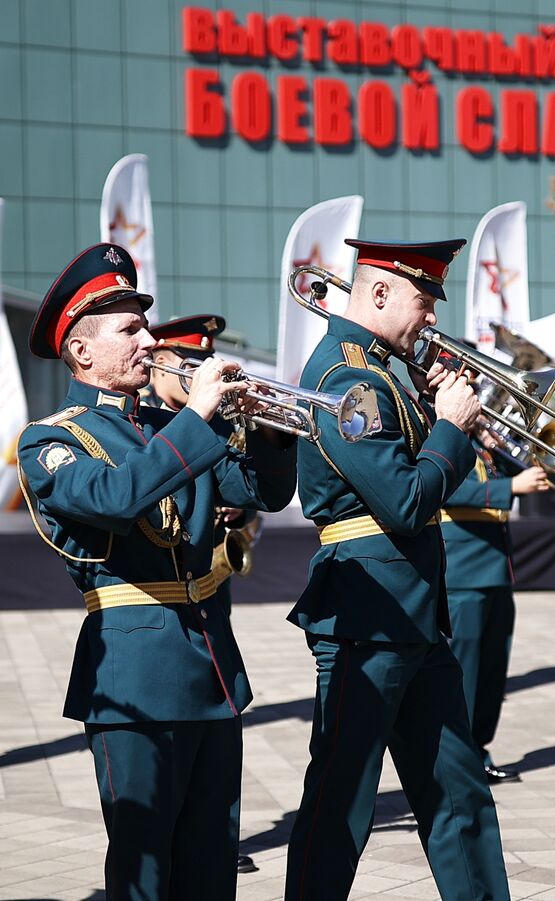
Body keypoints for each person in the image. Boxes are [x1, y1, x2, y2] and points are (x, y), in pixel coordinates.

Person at [17, 243, 297, 898]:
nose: (150, 338)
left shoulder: (170, 424)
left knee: (210, 869)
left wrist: (273, 428)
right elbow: (118, 499)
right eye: (130, 328)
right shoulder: (53, 439)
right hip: (136, 683)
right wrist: (199, 416)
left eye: (146, 324)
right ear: (83, 351)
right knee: (145, 875)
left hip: (213, 674)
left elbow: (262, 490)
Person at [284, 239, 511, 899]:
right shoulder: (345, 378)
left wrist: (446, 420)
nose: (432, 319)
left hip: (413, 612)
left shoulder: (385, 371)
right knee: (342, 803)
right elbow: (407, 501)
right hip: (366, 611)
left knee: (458, 794)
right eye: (422, 300)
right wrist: (449, 428)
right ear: (378, 293)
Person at [143, 313, 263, 874]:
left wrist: (242, 508)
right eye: (190, 364)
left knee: (215, 741)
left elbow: (252, 490)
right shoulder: (145, 427)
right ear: (160, 362)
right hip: (158, 606)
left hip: (209, 588)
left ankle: (213, 837)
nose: (199, 374)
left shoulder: (216, 425)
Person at [440, 430, 551, 784]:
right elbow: (446, 490)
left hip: (496, 569)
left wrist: (498, 446)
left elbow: (518, 475)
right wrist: (510, 488)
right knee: (464, 674)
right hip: (463, 569)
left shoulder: (482, 444)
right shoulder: (440, 435)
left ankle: (478, 750)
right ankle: (457, 758)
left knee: (492, 673)